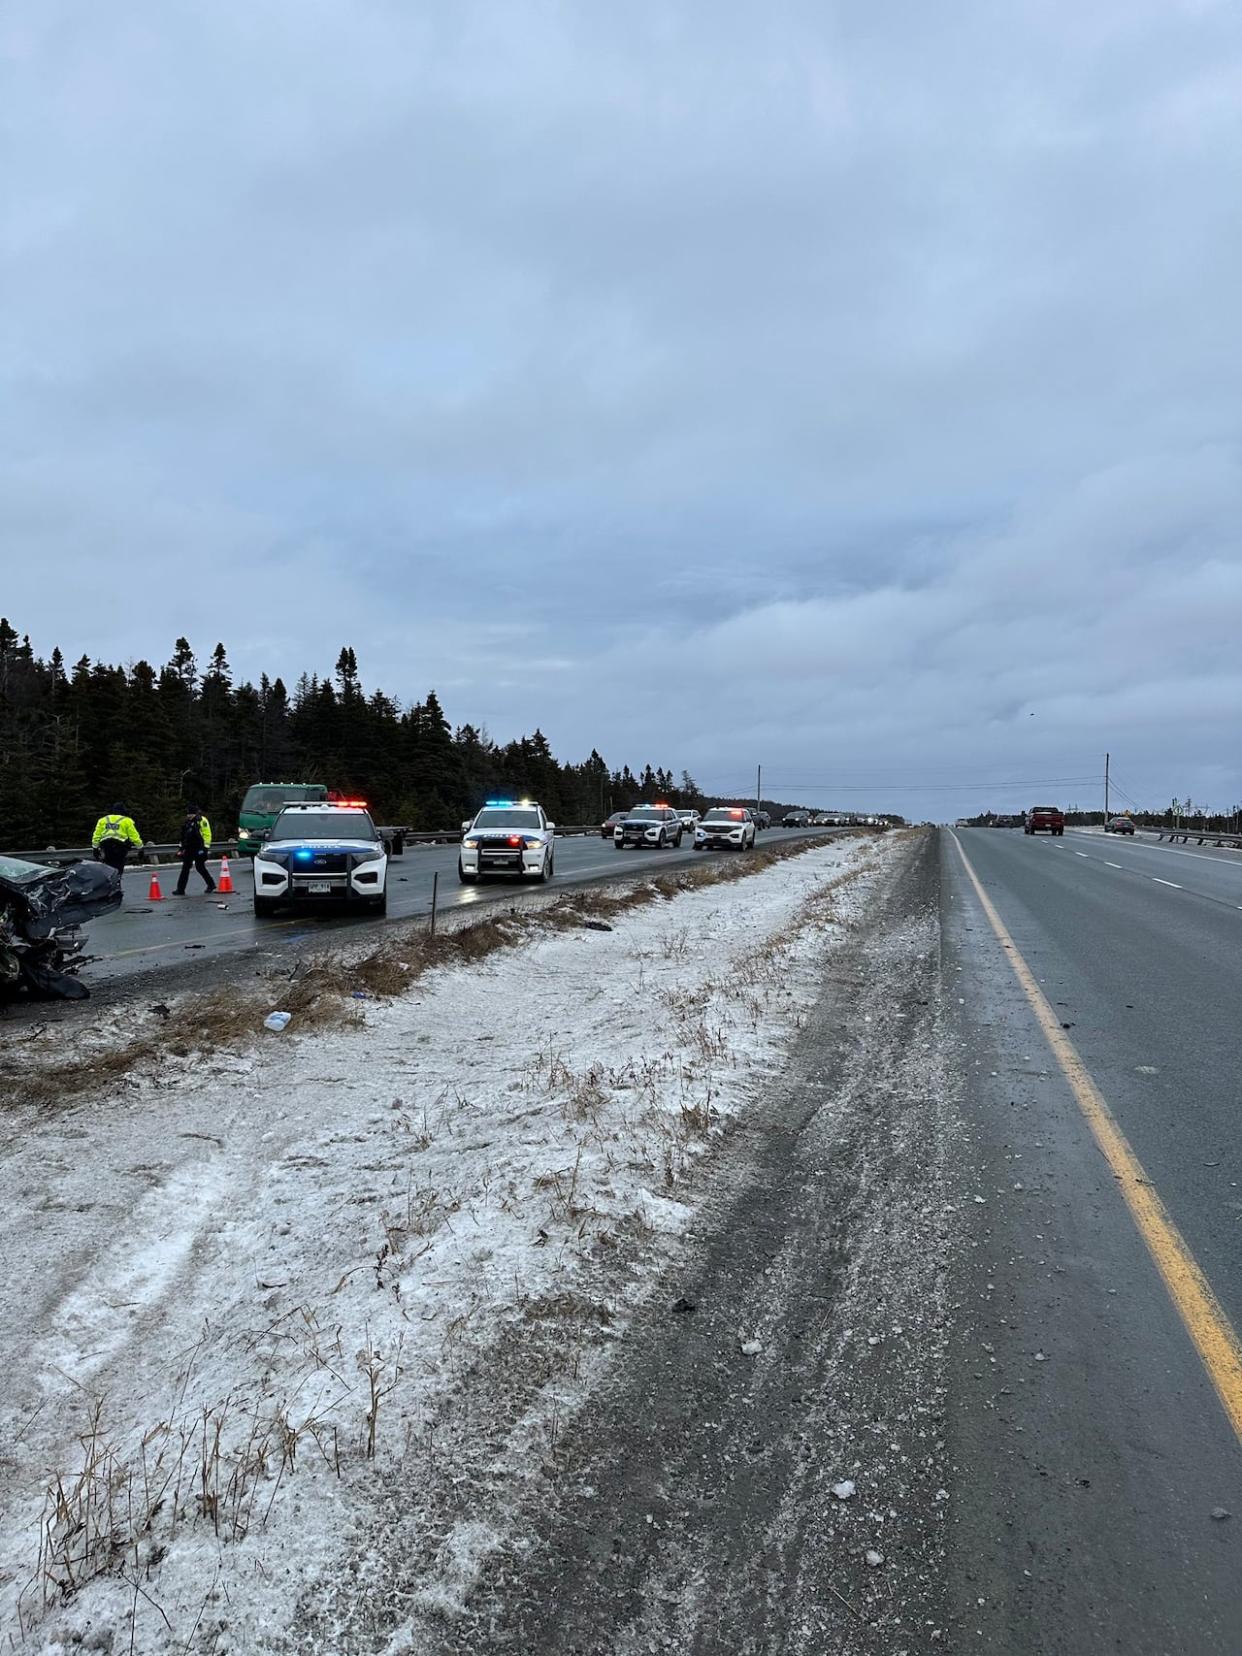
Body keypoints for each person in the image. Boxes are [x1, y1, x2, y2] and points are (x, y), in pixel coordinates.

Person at [174, 806, 216, 896]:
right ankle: (180, 889)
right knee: (185, 868)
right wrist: (181, 848)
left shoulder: (202, 820)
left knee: (200, 867)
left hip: (199, 848)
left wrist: (205, 847)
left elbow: (207, 834)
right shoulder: (187, 822)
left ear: (195, 813)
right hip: (189, 848)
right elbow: (184, 836)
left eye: (191, 814)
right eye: (188, 814)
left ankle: (211, 884)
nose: (189, 816)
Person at [91, 803, 143, 873]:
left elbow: (96, 835)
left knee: (108, 865)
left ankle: (109, 881)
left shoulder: (103, 820)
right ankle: (117, 880)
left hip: (107, 845)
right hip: (120, 846)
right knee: (118, 866)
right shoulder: (127, 821)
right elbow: (134, 836)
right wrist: (140, 848)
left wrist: (95, 848)